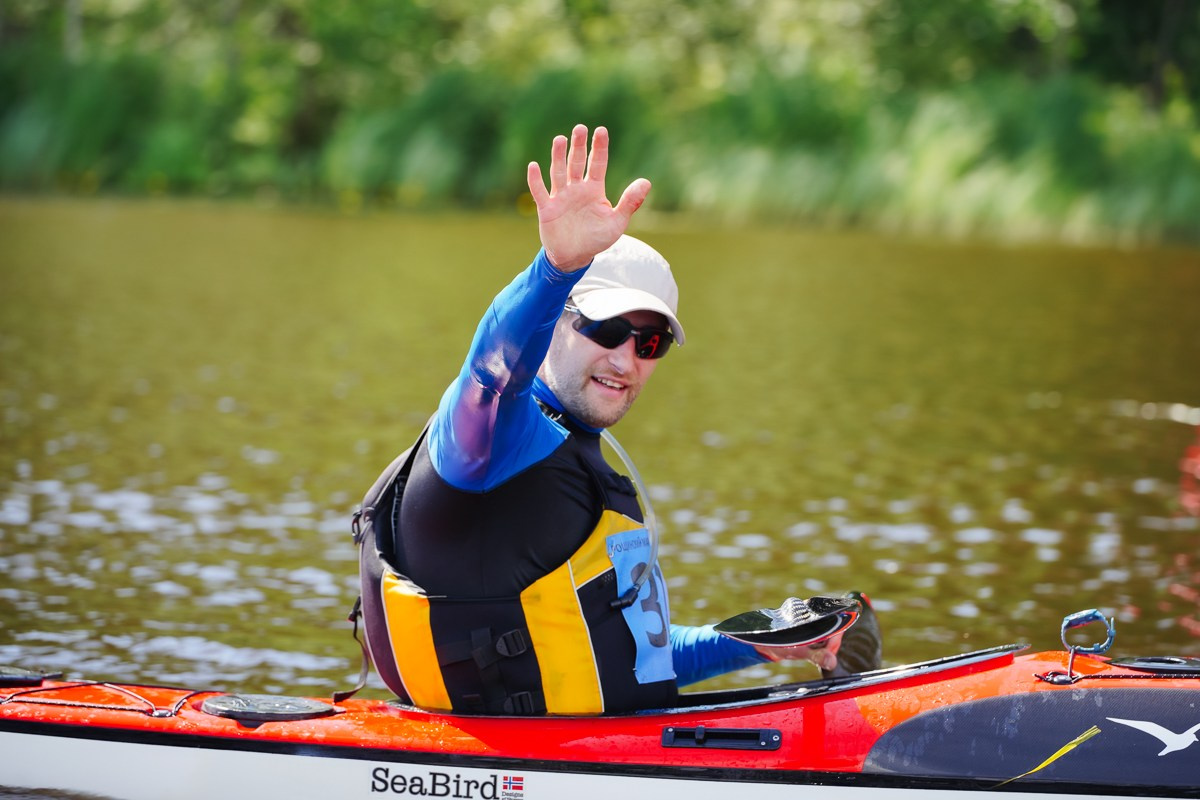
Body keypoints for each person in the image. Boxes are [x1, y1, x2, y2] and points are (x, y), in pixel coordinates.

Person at [356, 125, 862, 716]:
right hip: (518, 769)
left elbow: (634, 658)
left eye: (649, 343)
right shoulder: (491, 441)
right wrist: (555, 269)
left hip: (610, 749)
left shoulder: (587, 465)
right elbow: (493, 371)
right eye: (604, 329)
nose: (625, 359)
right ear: (554, 326)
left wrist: (759, 642)